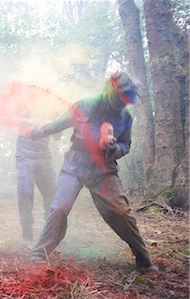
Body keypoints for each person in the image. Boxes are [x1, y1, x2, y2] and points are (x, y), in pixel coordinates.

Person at [30, 71, 158, 274]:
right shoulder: (86, 104)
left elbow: (126, 145)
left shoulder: (126, 117)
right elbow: (60, 123)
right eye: (121, 95)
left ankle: (143, 259)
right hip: (75, 163)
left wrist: (114, 148)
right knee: (59, 207)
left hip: (104, 169)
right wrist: (40, 131)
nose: (124, 101)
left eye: (128, 97)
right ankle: (39, 253)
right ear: (111, 91)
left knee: (121, 213)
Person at [14, 112, 57, 242]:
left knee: (52, 195)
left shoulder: (51, 107)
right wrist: (34, 120)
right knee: (25, 193)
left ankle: (52, 233)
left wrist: (53, 122)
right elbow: (9, 118)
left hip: (44, 157)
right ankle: (27, 233)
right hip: (25, 156)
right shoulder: (22, 103)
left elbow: (58, 136)